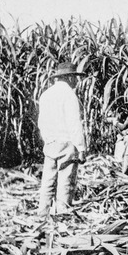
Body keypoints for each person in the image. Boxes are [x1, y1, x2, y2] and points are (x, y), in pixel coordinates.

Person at [37, 61, 87, 216]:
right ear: (70, 78)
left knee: (48, 179)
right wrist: (81, 147)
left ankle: (43, 212)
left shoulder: (46, 95)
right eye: (74, 78)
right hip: (66, 142)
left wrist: (48, 139)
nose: (76, 81)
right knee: (66, 180)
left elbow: (41, 122)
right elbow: (74, 123)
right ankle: (62, 212)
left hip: (50, 142)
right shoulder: (69, 95)